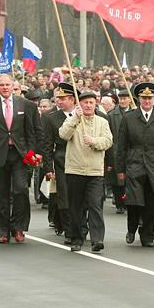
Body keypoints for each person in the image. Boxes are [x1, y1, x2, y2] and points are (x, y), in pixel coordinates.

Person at [0, 73, 41, 244]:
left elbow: (33, 130)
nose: (5, 87)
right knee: (2, 193)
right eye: (1, 85)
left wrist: (32, 151)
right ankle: (4, 230)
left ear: (13, 86)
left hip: (20, 154)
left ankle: (18, 228)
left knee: (20, 190)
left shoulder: (26, 105)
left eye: (8, 85)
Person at [116, 82, 154, 247]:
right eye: (144, 98)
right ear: (139, 99)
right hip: (134, 164)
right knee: (134, 201)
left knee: (150, 202)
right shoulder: (129, 118)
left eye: (150, 98)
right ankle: (132, 227)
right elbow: (121, 146)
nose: (147, 101)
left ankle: (147, 235)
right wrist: (120, 169)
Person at [58, 90, 113, 253]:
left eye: (91, 102)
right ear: (79, 105)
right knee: (76, 207)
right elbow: (63, 134)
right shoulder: (72, 120)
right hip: (75, 170)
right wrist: (75, 118)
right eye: (85, 103)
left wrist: (94, 141)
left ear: (96, 104)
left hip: (95, 171)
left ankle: (97, 239)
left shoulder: (102, 122)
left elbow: (108, 141)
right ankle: (77, 238)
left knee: (95, 205)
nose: (88, 105)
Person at [40, 83, 77, 243]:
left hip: (82, 160)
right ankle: (69, 231)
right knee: (64, 197)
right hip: (62, 159)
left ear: (72, 100)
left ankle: (81, 227)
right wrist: (48, 167)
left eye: (63, 99)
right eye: (58, 99)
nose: (59, 102)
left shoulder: (83, 114)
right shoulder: (50, 118)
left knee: (81, 197)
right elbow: (47, 144)